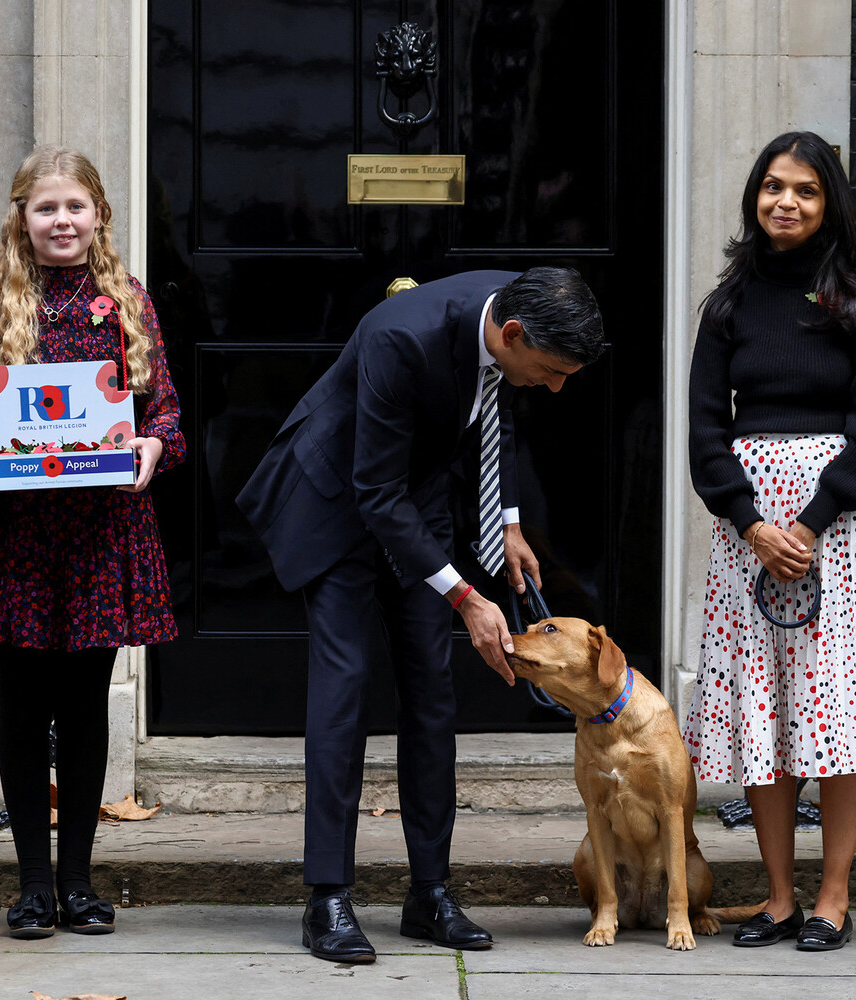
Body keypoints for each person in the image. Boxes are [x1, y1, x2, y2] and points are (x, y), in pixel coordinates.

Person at [237, 267, 605, 964]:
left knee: (433, 694)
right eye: (553, 370)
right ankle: (328, 899)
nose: (556, 386)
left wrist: (511, 520)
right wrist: (464, 596)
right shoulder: (400, 338)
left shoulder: (516, 305)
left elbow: (497, 411)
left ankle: (429, 893)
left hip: (417, 495)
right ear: (513, 334)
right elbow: (373, 491)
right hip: (340, 500)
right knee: (343, 692)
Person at [0, 147, 184, 940]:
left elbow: (165, 415)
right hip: (20, 535)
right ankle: (32, 887)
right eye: (46, 209)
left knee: (84, 709)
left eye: (76, 207)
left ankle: (78, 883)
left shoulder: (127, 302)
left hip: (101, 532)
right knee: (22, 707)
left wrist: (153, 448)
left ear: (99, 216)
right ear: (22, 218)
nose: (62, 221)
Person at [683, 131, 856, 953]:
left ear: (829, 204)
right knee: (762, 710)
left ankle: (833, 896)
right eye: (773, 187)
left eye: (806, 191)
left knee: (836, 710)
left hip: (832, 535)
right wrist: (751, 523)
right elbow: (707, 429)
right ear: (754, 198)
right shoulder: (730, 303)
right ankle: (778, 896)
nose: (786, 202)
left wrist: (808, 524)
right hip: (749, 536)